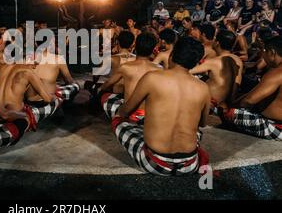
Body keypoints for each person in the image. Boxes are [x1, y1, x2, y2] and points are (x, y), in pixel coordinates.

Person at [111, 37, 210, 176]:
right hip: (190, 164)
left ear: (172, 55)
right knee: (197, 132)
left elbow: (126, 110)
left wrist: (120, 113)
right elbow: (203, 123)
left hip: (155, 163)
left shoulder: (152, 78)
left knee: (118, 121)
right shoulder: (204, 88)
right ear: (195, 63)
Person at [223, 36, 282, 140]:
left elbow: (249, 100)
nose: (263, 55)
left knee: (224, 111)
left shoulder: (277, 72)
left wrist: (231, 106)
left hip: (273, 127)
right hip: (276, 123)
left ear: (272, 52)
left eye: (264, 51)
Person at [100, 32, 161, 123]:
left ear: (135, 46)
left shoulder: (126, 67)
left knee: (103, 94)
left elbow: (107, 84)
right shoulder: (159, 69)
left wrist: (100, 89)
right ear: (153, 50)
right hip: (151, 113)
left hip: (132, 114)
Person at [190, 30, 243, 114]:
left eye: (214, 39)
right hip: (227, 102)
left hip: (212, 103)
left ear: (217, 43)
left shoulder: (214, 61)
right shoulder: (238, 60)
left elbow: (187, 71)